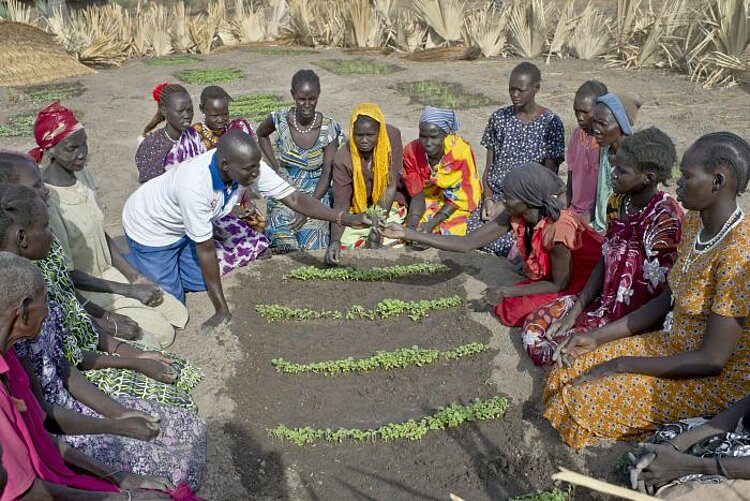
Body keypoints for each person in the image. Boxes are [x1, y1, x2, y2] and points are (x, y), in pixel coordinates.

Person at [545, 132, 750, 449]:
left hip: (709, 378)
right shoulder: (696, 223)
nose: (677, 183)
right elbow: (669, 297)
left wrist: (621, 363)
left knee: (582, 398)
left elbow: (712, 360)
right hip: (671, 345)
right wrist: (598, 337)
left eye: (687, 175)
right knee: (569, 369)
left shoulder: (739, 252)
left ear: (718, 181)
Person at [0, 183, 205, 488]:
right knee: (178, 472)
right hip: (61, 431)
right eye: (46, 228)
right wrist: (114, 429)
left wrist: (122, 415)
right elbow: (44, 419)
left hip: (73, 410)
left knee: (190, 428)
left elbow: (65, 366)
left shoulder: (32, 287)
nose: (53, 235)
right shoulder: (16, 322)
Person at [0, 150, 203, 412]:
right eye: (37, 185)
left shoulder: (43, 249)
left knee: (175, 366)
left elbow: (70, 303)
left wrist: (120, 341)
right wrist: (126, 355)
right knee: (171, 389)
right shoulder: (20, 290)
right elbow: (62, 370)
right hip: (71, 380)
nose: (46, 190)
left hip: (83, 351)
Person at [123, 130, 370, 332]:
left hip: (183, 226)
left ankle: (164, 266)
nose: (255, 175)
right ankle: (127, 263)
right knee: (173, 305)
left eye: (256, 167)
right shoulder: (195, 186)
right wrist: (221, 309)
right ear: (225, 164)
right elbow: (206, 250)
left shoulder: (247, 166)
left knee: (200, 282)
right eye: (249, 170)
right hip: (151, 229)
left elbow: (294, 199)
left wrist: (344, 217)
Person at [0, 251, 177, 500]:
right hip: (42, 487)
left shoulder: (10, 359)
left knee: (174, 439)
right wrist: (124, 497)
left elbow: (42, 438)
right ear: (24, 310)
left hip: (52, 474)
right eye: (44, 303)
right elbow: (25, 493)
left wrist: (116, 475)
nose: (49, 312)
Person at [31, 102, 188, 349]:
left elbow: (99, 231)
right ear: (50, 151)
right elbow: (69, 275)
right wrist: (129, 291)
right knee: (163, 334)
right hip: (86, 285)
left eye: (84, 144)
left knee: (177, 313)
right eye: (72, 148)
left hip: (107, 273)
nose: (82, 153)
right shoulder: (49, 202)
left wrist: (134, 276)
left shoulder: (82, 175)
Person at [522, 128, 683, 366]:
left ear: (648, 177)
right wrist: (576, 310)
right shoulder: (617, 202)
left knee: (569, 357)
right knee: (534, 327)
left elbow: (661, 294)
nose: (613, 175)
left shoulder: (666, 217)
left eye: (622, 171)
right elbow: (605, 259)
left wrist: (596, 331)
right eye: (614, 167)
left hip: (636, 321)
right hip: (605, 303)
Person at [383, 163, 603, 327]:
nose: (503, 200)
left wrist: (506, 291)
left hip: (580, 280)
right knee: (509, 306)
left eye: (509, 197)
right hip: (556, 277)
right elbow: (468, 243)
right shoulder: (517, 213)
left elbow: (558, 284)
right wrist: (408, 232)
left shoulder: (559, 229)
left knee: (514, 310)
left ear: (528, 201)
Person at [161, 85, 270, 275]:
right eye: (214, 116)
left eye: (224, 114)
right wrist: (224, 207)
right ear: (203, 110)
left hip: (238, 199)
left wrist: (245, 200)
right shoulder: (193, 137)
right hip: (210, 206)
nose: (221, 120)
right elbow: (185, 177)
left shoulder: (238, 129)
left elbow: (252, 168)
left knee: (260, 227)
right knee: (221, 239)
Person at [465, 62, 565, 257]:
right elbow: (489, 169)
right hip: (494, 199)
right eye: (512, 89)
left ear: (536, 89)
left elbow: (548, 180)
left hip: (527, 202)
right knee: (471, 232)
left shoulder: (551, 123)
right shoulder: (499, 119)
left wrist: (507, 203)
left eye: (521, 90)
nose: (515, 94)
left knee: (505, 245)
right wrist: (488, 200)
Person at [257, 69, 342, 253]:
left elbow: (327, 174)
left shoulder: (329, 127)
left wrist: (307, 209)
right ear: (293, 95)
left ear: (318, 96)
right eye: (301, 99)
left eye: (312, 99)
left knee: (313, 248)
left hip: (316, 195)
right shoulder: (279, 118)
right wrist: (275, 165)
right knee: (284, 245)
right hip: (284, 193)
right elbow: (261, 134)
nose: (306, 104)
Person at [325, 103, 406, 265]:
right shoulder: (343, 158)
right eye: (358, 135)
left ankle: (375, 239)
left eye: (370, 135)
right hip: (359, 209)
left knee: (393, 235)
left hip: (388, 203)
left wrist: (376, 230)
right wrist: (334, 241)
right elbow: (340, 204)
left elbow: (390, 186)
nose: (364, 140)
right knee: (345, 243)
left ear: (379, 133)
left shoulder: (392, 138)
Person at [627, 394, 750, 499]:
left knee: (681, 495)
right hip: (741, 433)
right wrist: (671, 447)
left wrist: (683, 465)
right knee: (650, 453)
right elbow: (729, 418)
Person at [402, 106, 482, 236]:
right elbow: (417, 196)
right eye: (423, 136)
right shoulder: (411, 152)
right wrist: (411, 227)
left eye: (434, 137)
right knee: (415, 227)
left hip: (458, 202)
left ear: (446, 134)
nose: (428, 143)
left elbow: (461, 197)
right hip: (428, 198)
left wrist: (432, 224)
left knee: (451, 230)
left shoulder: (460, 152)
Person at [591, 92, 641, 232]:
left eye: (602, 124)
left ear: (621, 124)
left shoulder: (634, 157)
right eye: (594, 122)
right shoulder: (606, 149)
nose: (596, 130)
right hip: (600, 227)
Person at [566, 81, 609, 223]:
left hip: (598, 215)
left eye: (585, 112)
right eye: (576, 111)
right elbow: (570, 181)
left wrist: (586, 218)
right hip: (574, 211)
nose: (579, 117)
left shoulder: (607, 143)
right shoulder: (576, 136)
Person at [135, 83, 194, 183]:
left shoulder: (194, 136)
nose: (187, 115)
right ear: (164, 111)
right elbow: (150, 191)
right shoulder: (153, 146)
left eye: (190, 110)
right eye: (180, 111)